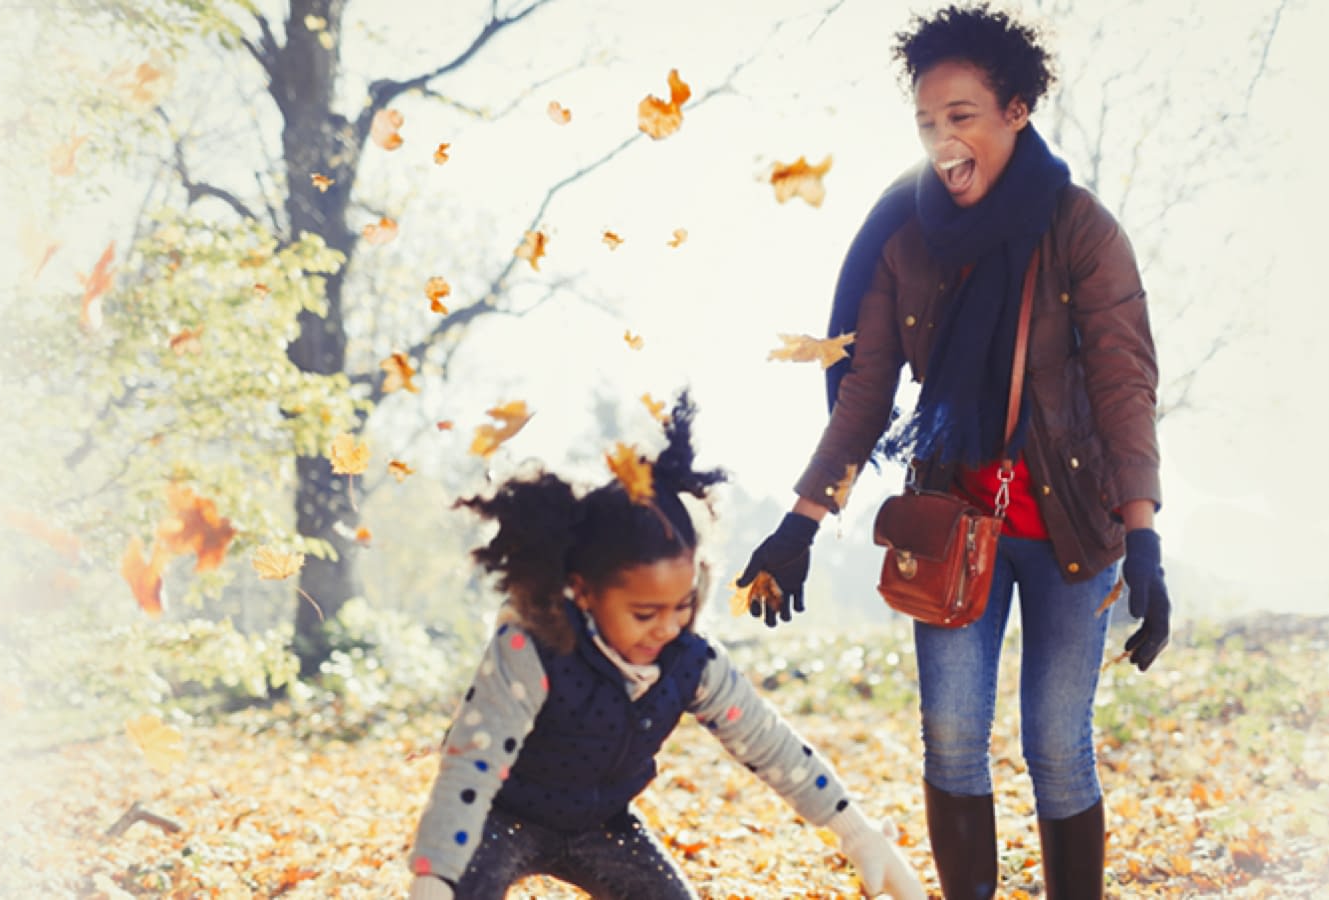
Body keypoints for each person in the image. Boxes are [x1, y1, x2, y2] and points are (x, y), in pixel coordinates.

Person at [735, 5, 1171, 898]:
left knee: (1057, 745)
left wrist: (1148, 537)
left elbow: (1126, 390)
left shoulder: (1081, 230)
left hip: (1074, 527)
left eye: (961, 116)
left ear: (1015, 110)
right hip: (951, 531)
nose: (942, 139)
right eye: (928, 121)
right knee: (952, 739)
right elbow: (863, 402)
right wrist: (800, 524)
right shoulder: (906, 239)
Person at [407, 392, 924, 900]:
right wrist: (435, 877)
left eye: (682, 605)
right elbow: (471, 764)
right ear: (584, 591)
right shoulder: (533, 647)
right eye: (643, 614)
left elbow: (770, 744)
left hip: (600, 826)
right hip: (505, 816)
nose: (667, 628)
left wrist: (857, 832)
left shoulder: (692, 662)